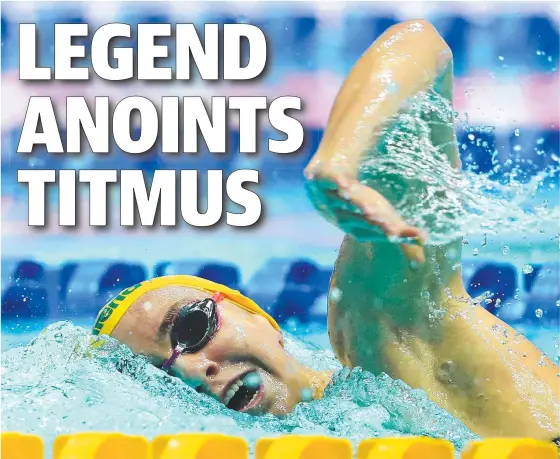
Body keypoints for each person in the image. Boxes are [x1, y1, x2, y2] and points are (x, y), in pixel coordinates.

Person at [91, 19, 560, 441]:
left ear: (256, 315)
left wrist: (338, 163)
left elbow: (420, 43)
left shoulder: (383, 344)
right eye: (159, 378)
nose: (196, 370)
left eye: (193, 327)